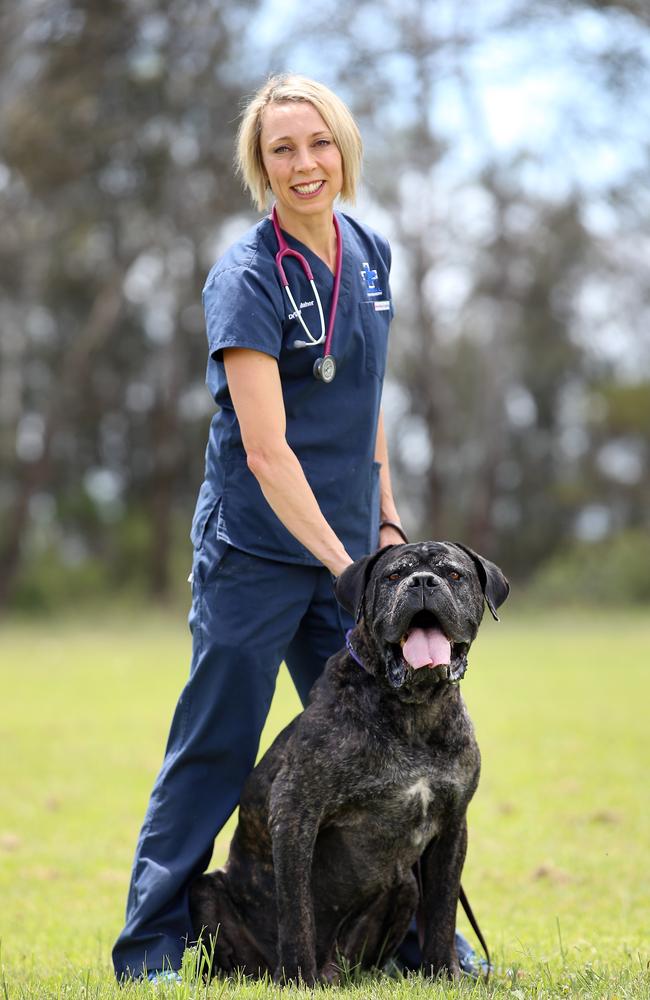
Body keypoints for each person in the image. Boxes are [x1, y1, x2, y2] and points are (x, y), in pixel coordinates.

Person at [112, 73, 478, 984]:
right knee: (220, 739)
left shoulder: (370, 253)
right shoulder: (244, 278)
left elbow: (365, 403)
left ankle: (409, 939)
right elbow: (269, 452)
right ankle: (154, 945)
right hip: (258, 551)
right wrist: (346, 565)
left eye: (318, 143)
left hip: (353, 551)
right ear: (261, 166)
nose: (304, 163)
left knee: (395, 736)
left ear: (344, 149)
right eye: (282, 149)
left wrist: (384, 518)